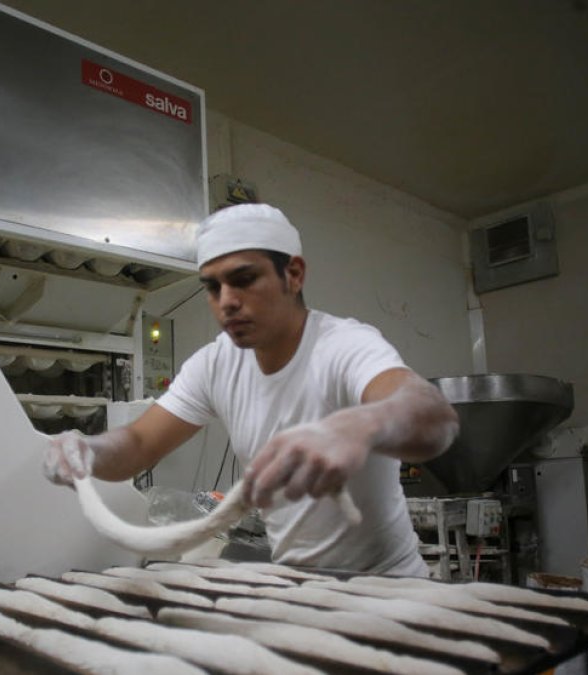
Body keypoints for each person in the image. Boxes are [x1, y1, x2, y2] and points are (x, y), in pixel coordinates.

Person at [43, 203, 459, 575]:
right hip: (299, 584)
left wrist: (358, 425)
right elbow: (136, 445)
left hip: (389, 583)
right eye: (212, 287)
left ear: (293, 275)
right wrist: (89, 451)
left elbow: (431, 416)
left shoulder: (343, 346)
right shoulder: (215, 363)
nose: (226, 301)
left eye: (244, 279)